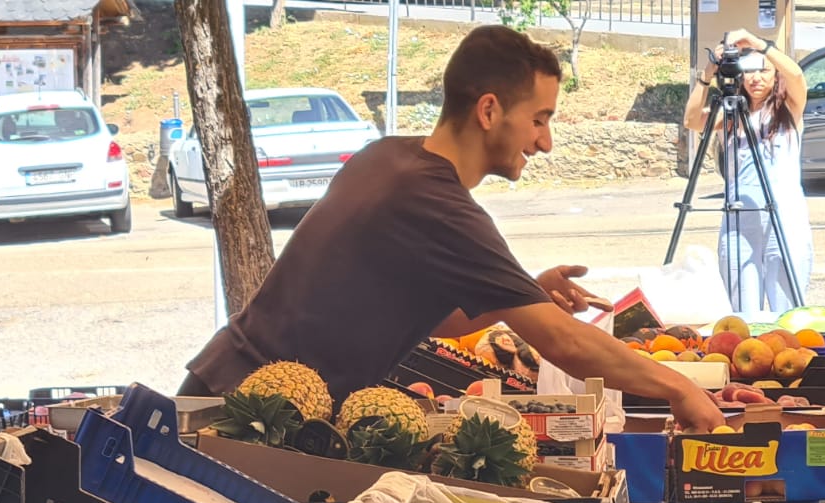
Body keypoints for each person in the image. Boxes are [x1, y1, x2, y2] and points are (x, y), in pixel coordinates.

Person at [180, 26, 723, 432]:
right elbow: (565, 344)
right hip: (243, 414)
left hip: (236, 396)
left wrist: (521, 295)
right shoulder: (434, 201)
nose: (545, 142)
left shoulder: (387, 158)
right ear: (489, 110)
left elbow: (428, 314)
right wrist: (678, 389)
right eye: (539, 119)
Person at [683, 29, 812, 316]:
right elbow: (692, 120)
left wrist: (758, 44)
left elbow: (797, 76)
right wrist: (707, 74)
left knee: (788, 309)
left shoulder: (788, 109)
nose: (756, 78)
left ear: (774, 74)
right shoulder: (730, 113)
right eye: (748, 71)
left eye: (763, 70)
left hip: (785, 218)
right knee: (742, 312)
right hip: (740, 220)